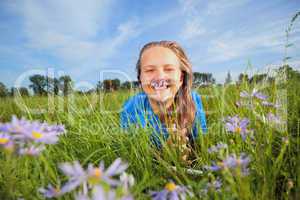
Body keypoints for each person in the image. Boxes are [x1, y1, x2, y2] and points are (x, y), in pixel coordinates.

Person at [120, 41, 207, 155]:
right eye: (150, 70)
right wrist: (165, 155)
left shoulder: (193, 100)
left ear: (181, 78)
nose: (160, 77)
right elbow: (134, 157)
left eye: (169, 69)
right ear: (140, 78)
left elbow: (201, 147)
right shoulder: (130, 109)